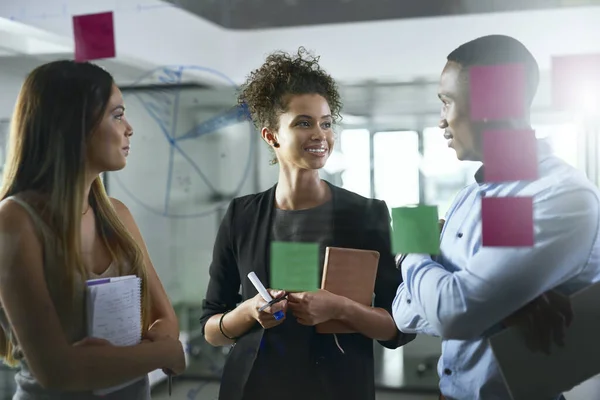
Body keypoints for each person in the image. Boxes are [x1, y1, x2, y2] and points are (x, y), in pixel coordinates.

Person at [200, 47, 415, 400]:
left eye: (326, 123)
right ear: (272, 136)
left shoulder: (366, 215)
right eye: (303, 122)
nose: (320, 134)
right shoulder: (242, 216)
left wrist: (339, 308)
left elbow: (399, 328)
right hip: (254, 387)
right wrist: (250, 311)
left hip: (339, 389)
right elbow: (212, 329)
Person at [392, 34, 600, 400]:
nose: (441, 121)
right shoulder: (473, 196)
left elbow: (454, 313)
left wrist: (410, 249)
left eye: (447, 102)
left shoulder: (558, 194)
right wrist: (501, 307)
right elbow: (404, 312)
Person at [0, 60, 185, 399]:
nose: (129, 128)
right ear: (75, 125)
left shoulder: (117, 215)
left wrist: (120, 354)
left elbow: (164, 317)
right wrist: (163, 353)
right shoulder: (14, 220)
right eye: (117, 115)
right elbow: (57, 369)